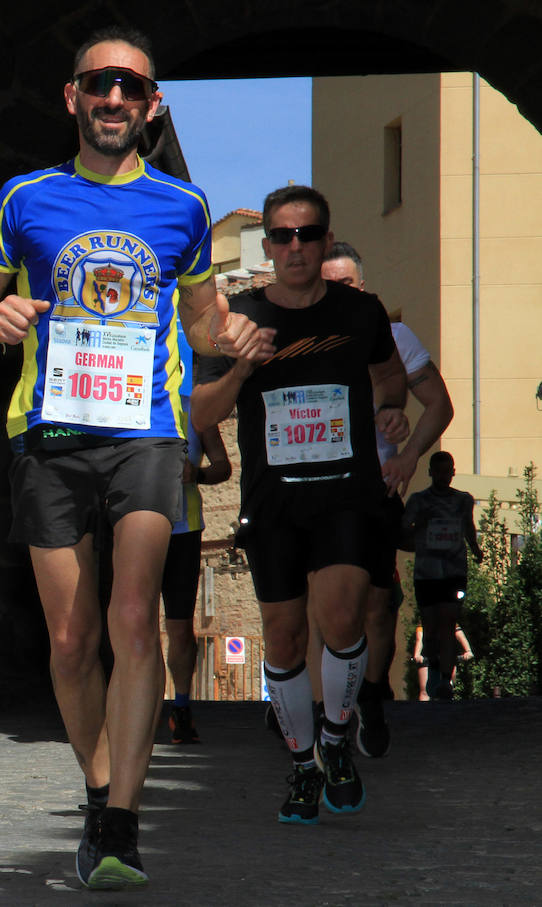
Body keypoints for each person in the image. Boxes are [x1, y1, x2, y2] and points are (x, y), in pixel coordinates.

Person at [0, 26, 265, 889]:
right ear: (73, 99)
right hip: (47, 434)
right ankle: (96, 786)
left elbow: (200, 325)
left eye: (131, 88)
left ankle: (122, 819)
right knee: (71, 634)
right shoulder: (26, 198)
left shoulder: (183, 208)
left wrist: (231, 333)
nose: (114, 99)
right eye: (100, 85)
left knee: (132, 619)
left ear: (152, 106)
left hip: (149, 434)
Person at [193, 184, 410, 827]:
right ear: (268, 244)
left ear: (323, 239)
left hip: (346, 491)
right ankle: (301, 762)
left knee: (342, 618)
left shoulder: (360, 312)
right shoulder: (237, 317)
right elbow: (201, 413)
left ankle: (336, 740)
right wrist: (239, 370)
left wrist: (392, 405)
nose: (294, 247)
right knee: (285, 639)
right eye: (281, 236)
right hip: (274, 500)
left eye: (306, 234)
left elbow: (391, 376)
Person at [317, 241, 455, 757]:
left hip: (375, 488)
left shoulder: (394, 337)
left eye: (347, 285)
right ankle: (323, 704)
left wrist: (411, 455)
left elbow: (439, 404)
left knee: (376, 607)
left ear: (364, 288)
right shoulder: (301, 339)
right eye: (328, 285)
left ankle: (372, 696)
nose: (337, 294)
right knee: (322, 606)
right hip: (313, 490)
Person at [164, 351, 232, 744]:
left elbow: (223, 465)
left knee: (180, 629)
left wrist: (198, 473)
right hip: (138, 529)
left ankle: (182, 706)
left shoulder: (196, 409)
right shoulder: (131, 402)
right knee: (133, 626)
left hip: (184, 530)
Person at [402, 451, 482, 701]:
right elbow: (403, 529)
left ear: (453, 472)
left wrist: (477, 551)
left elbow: (469, 527)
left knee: (448, 623)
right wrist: (419, 526)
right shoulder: (418, 501)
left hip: (453, 572)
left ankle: (445, 681)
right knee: (431, 625)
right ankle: (435, 669)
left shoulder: (463, 501)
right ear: (431, 473)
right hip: (426, 573)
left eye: (447, 471)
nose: (443, 476)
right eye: (438, 471)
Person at [412, 621, 474, 700]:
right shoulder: (425, 622)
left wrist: (468, 651)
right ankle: (424, 710)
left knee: (448, 686)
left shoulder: (449, 620)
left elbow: (460, 635)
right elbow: (419, 639)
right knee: (425, 692)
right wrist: (417, 654)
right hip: (429, 656)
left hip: (446, 656)